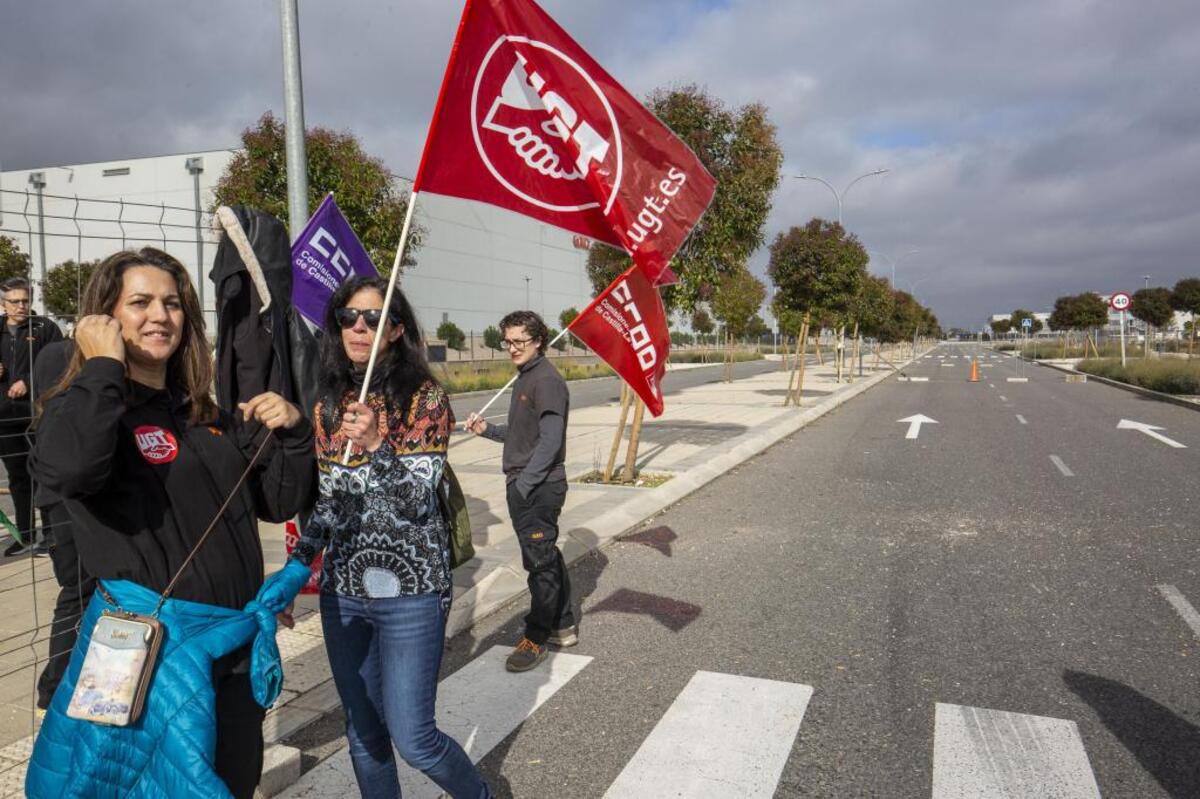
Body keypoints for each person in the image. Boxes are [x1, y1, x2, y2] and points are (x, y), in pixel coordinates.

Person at [28, 247, 315, 798]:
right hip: (151, 656)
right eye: (140, 302)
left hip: (229, 651)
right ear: (104, 319)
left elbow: (275, 504)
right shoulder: (82, 407)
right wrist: (104, 367)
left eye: (173, 303)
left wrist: (295, 435)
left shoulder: (201, 414)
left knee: (232, 780)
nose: (161, 315)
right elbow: (69, 471)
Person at [290, 276, 491, 799]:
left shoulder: (424, 400)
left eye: (374, 318)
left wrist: (378, 442)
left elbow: (415, 503)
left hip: (412, 592)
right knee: (362, 735)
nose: (359, 327)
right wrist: (296, 570)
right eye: (349, 317)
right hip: (344, 591)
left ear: (397, 329)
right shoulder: (329, 404)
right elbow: (330, 502)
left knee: (415, 739)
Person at [465, 310, 576, 673]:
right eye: (508, 341)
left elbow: (551, 440)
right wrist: (488, 430)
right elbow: (521, 433)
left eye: (519, 341)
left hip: (537, 487)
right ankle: (563, 623)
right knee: (546, 556)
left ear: (539, 341)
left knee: (539, 564)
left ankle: (537, 636)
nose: (512, 348)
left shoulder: (545, 380)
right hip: (529, 482)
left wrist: (525, 485)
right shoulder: (527, 376)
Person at [31, 338, 95, 711]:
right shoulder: (63, 361)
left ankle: (60, 682)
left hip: (58, 503)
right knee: (78, 592)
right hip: (66, 505)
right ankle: (55, 686)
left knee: (80, 592)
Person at [0, 277, 62, 556]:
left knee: (44, 476)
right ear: (3, 303)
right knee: (17, 478)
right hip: (4, 418)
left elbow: (61, 364)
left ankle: (51, 536)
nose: (21, 306)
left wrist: (27, 380)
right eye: (15, 301)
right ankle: (24, 536)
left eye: (25, 300)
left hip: (37, 414)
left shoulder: (45, 328)